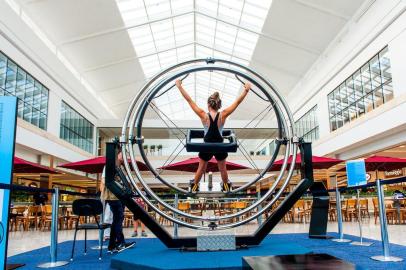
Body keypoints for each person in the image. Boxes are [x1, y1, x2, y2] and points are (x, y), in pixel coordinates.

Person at [176, 79, 251, 192]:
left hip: (207, 145)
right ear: (219, 105)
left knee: (201, 169)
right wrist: (246, 90)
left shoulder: (203, 115)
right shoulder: (223, 114)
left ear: (208, 104)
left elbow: (189, 100)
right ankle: (226, 187)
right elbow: (237, 103)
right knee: (223, 169)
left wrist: (179, 87)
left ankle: (194, 187)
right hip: (220, 145)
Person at [101, 150, 135, 253]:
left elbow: (125, 181)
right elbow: (104, 180)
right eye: (123, 154)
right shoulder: (110, 165)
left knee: (118, 219)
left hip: (120, 196)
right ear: (118, 154)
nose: (125, 156)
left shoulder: (122, 167)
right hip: (113, 196)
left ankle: (114, 244)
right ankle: (119, 243)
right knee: (118, 218)